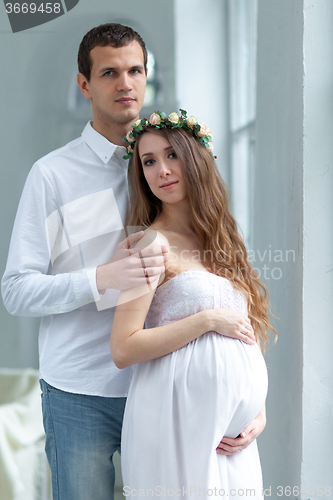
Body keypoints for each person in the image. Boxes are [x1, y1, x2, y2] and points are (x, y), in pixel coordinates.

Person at [2, 24, 264, 500]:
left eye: (135, 70)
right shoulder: (53, 175)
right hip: (81, 389)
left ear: (147, 77)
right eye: (109, 73)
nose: (125, 83)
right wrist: (101, 278)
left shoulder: (169, 162)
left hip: (170, 389)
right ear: (85, 85)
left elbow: (225, 294)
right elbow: (16, 289)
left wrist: (252, 406)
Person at [111, 110, 276, 499]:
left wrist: (259, 413)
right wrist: (205, 320)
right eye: (149, 161)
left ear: (196, 159)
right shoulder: (150, 245)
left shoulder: (224, 244)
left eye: (172, 155)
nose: (161, 170)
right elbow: (123, 347)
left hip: (233, 439)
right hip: (173, 422)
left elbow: (243, 334)